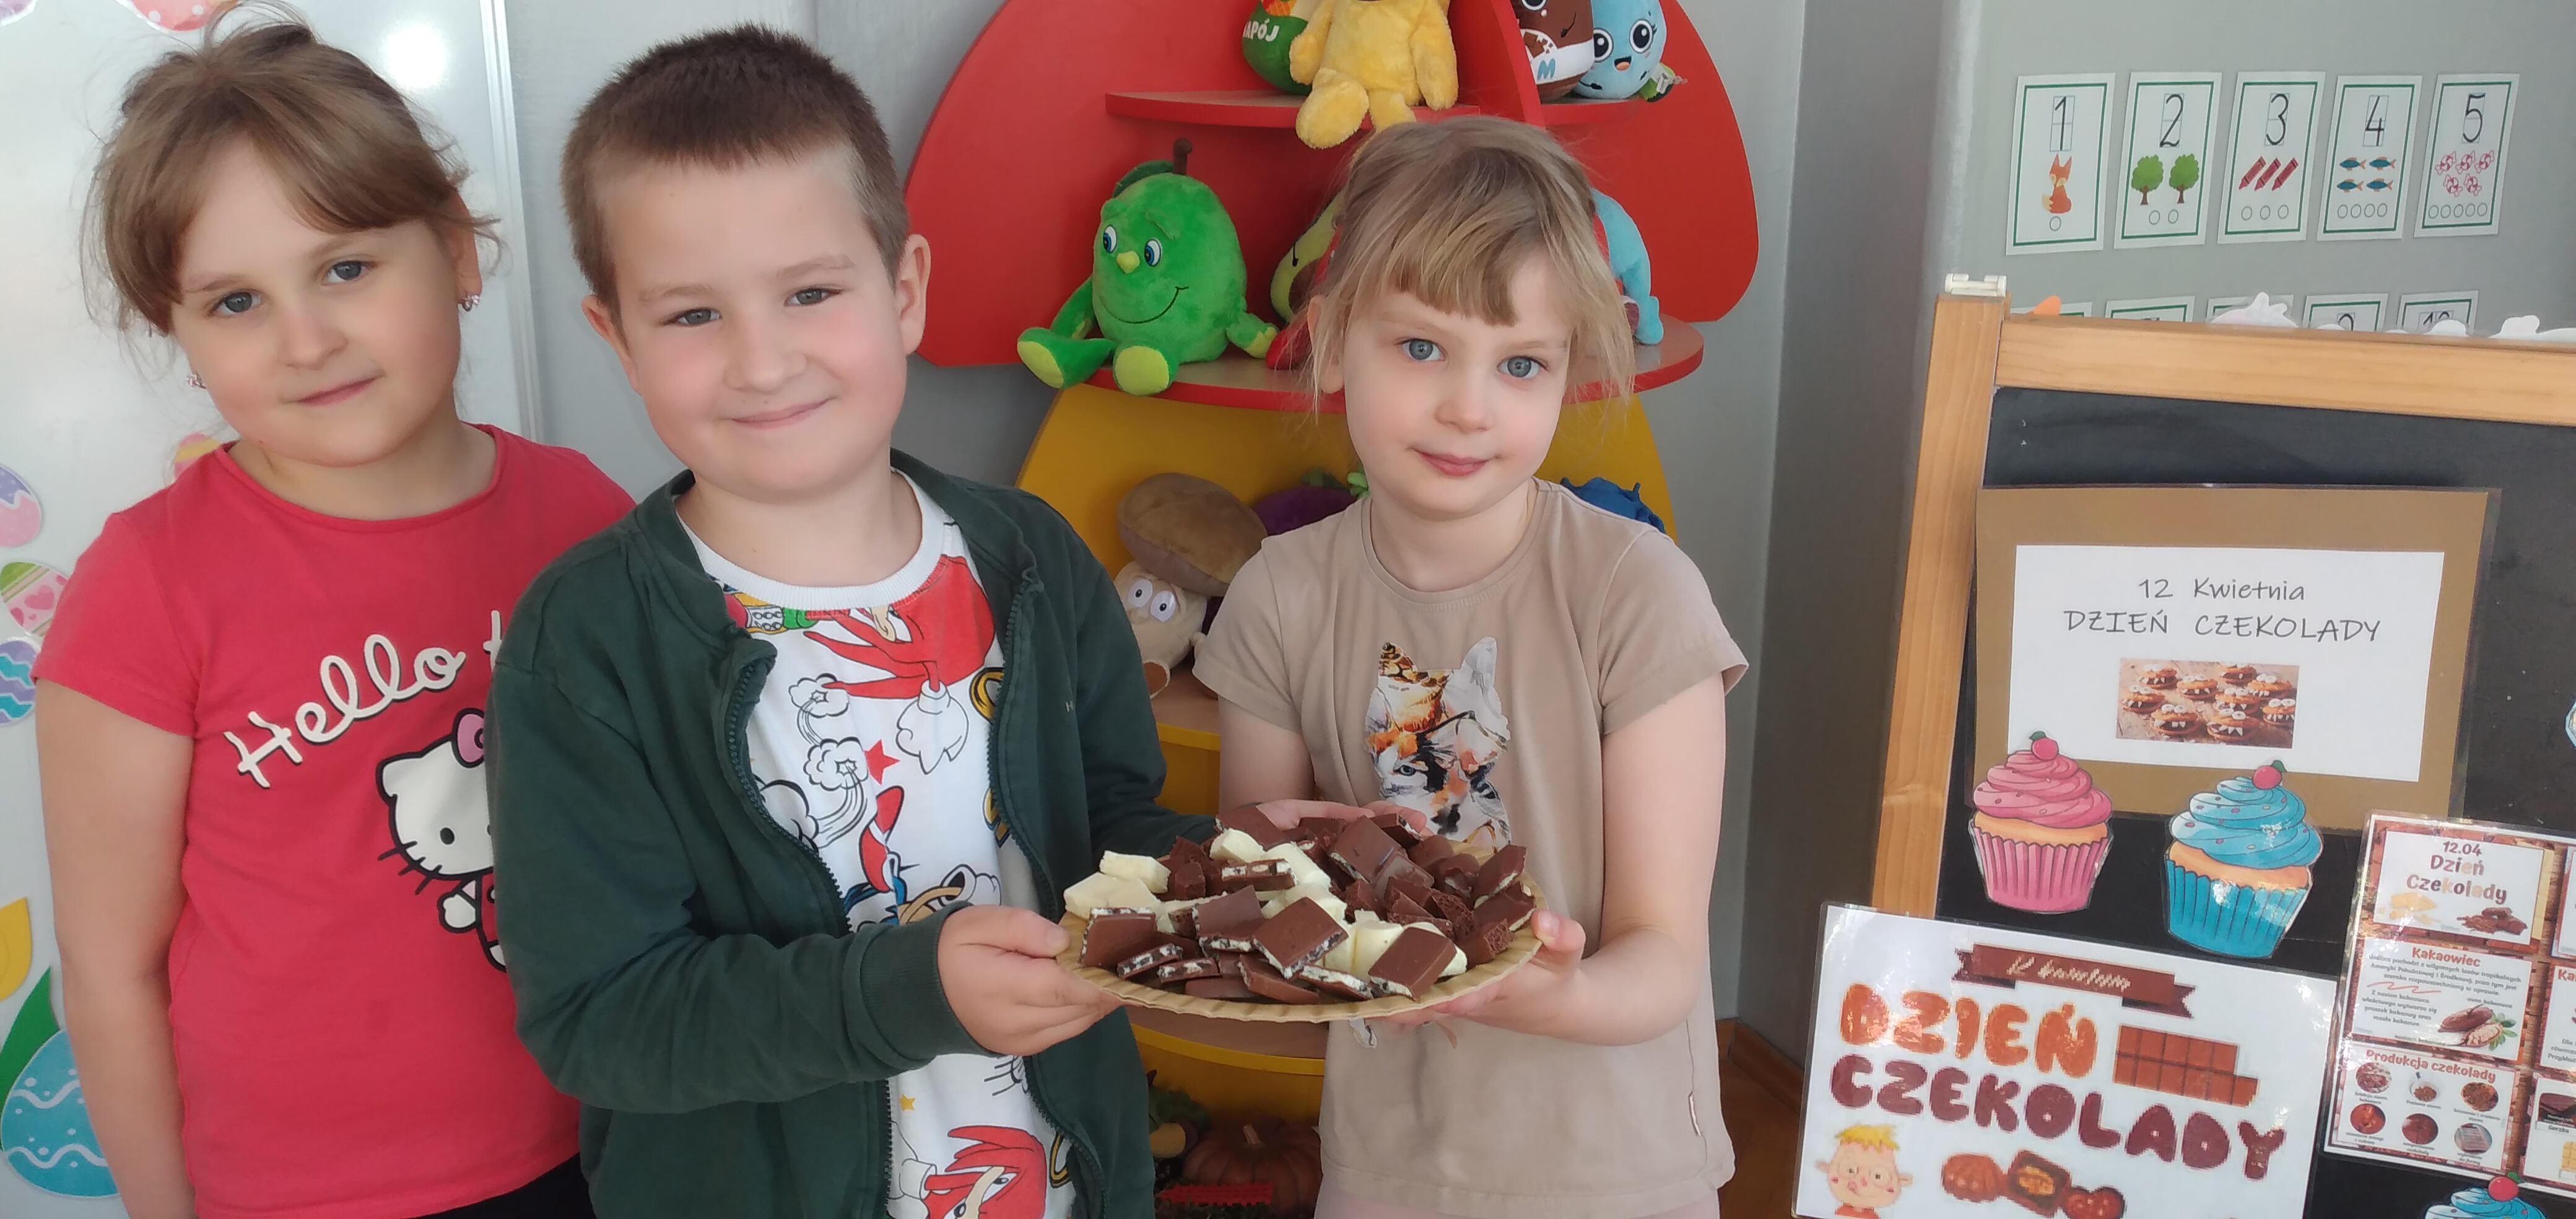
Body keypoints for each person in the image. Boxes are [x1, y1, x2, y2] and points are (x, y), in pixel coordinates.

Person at [484, 27, 1210, 1218]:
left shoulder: (1031, 556)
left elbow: (1113, 829)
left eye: (811, 293)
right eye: (692, 315)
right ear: (616, 338)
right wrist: (906, 991)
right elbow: (602, 1019)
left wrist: (1246, 868)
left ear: (905, 291)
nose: (764, 363)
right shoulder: (590, 639)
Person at [35, 14, 629, 1218]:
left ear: (455, 251)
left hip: (609, 1135)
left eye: (346, 268)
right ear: (177, 330)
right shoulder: (148, 584)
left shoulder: (582, 515)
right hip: (304, 1194)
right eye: (235, 302)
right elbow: (108, 976)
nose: (306, 342)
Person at [1194, 116, 1747, 1219]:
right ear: (1331, 339)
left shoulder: (1640, 595)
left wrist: (1549, 996)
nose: (1469, 406)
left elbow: (1664, 955)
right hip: (1386, 1164)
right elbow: (1259, 898)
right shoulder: (1278, 594)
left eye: (1521, 363)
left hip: (1619, 1171)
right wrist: (1264, 879)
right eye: (1420, 347)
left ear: (1570, 372)